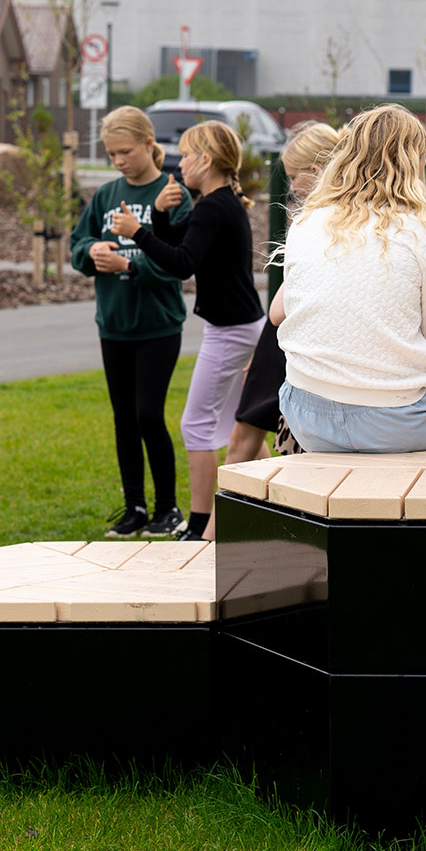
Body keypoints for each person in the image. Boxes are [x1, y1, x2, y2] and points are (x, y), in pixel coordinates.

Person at [272, 103, 426, 453]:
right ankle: (424, 476)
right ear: (416, 163)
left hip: (304, 413)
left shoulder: (305, 223)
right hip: (392, 423)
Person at [111, 120, 265, 539]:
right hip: (240, 324)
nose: (180, 163)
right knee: (244, 424)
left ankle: (199, 525)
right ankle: (263, 503)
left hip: (231, 331)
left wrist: (137, 232)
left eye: (187, 154)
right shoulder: (217, 203)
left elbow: (181, 263)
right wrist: (159, 214)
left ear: (208, 160)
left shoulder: (215, 207)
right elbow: (180, 242)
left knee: (196, 425)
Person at [200, 120, 343, 540]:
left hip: (295, 334)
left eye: (294, 176)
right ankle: (219, 530)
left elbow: (285, 303)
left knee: (252, 437)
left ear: (316, 171)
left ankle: (214, 537)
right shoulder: (331, 218)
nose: (292, 187)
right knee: (249, 433)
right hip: (292, 334)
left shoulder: (315, 222)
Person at [70, 105, 193, 538]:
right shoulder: (105, 195)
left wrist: (127, 264)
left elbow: (178, 264)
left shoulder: (172, 194)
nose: (119, 160)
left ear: (147, 143)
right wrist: (92, 253)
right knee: (123, 417)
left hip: (158, 325)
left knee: (147, 415)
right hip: (114, 324)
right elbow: (77, 243)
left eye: (125, 151)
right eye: (111, 154)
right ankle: (134, 509)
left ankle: (168, 509)